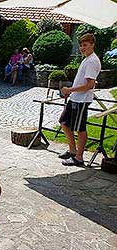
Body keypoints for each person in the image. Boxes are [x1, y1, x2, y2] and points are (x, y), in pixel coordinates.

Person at [59, 33, 101, 166]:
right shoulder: (87, 59)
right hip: (75, 98)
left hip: (81, 100)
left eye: (85, 45)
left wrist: (69, 90)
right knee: (64, 122)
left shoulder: (92, 61)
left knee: (80, 128)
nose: (82, 48)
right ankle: (72, 150)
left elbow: (89, 84)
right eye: (81, 45)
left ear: (92, 45)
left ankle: (79, 157)